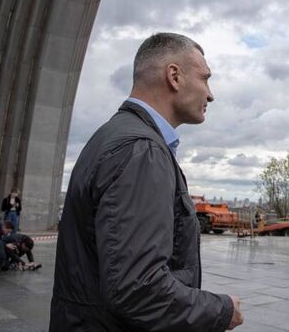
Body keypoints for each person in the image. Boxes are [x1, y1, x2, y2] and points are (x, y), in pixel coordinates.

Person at [50, 33, 243, 331]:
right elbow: (138, 289)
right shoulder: (141, 149)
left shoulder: (116, 136)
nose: (210, 94)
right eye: (205, 79)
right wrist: (221, 310)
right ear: (174, 76)